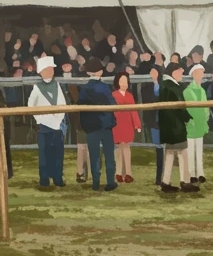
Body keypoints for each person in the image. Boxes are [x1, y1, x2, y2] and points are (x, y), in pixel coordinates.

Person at [77, 58, 119, 192]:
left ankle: (95, 182)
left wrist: (85, 124)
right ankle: (110, 181)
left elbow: (81, 108)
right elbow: (113, 105)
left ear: (88, 72)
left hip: (91, 127)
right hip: (106, 126)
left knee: (94, 155)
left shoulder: (84, 89)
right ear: (100, 72)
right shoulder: (105, 88)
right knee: (109, 155)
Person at [27, 54, 68, 189]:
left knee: (58, 153)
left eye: (52, 69)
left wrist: (59, 118)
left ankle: (57, 178)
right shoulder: (37, 87)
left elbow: (62, 103)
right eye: (49, 68)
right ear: (42, 71)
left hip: (57, 126)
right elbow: (30, 106)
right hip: (44, 126)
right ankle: (44, 179)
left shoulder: (57, 85)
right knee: (44, 154)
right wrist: (40, 119)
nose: (51, 71)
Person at [158, 63, 200, 194]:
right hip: (176, 126)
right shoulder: (175, 88)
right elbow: (181, 108)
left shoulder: (163, 86)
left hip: (166, 126)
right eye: (180, 72)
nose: (181, 75)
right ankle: (185, 181)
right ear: (174, 73)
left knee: (169, 153)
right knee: (182, 153)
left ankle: (165, 181)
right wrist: (188, 118)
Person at [183, 62, 210, 184]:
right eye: (199, 73)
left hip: (200, 123)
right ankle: (191, 173)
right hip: (191, 124)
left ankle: (200, 173)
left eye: (202, 73)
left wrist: (205, 119)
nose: (201, 75)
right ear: (193, 74)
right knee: (190, 149)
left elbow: (206, 107)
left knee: (199, 149)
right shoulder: (187, 91)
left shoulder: (202, 91)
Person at [111, 70, 141, 183]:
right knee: (118, 150)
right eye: (121, 81)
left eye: (126, 81)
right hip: (117, 125)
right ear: (117, 82)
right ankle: (118, 172)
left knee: (126, 148)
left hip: (127, 125)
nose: (124, 84)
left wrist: (137, 124)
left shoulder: (130, 96)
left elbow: (133, 111)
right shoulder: (113, 95)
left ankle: (128, 173)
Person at [139, 64, 164, 186]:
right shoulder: (145, 88)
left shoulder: (164, 86)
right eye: (151, 72)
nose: (153, 74)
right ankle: (159, 177)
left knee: (167, 150)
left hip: (165, 121)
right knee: (159, 149)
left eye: (155, 72)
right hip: (154, 122)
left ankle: (165, 176)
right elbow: (149, 101)